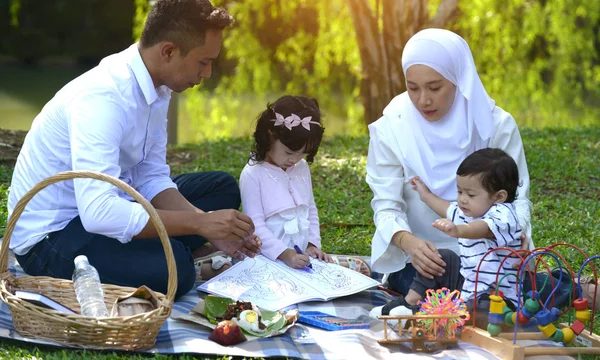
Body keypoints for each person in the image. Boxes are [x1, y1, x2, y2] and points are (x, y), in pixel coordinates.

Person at [7, 0, 261, 299]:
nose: (207, 74)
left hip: (112, 206)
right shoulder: (103, 98)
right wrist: (200, 223)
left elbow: (150, 176)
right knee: (177, 271)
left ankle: (166, 246)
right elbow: (98, 213)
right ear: (168, 51)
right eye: (203, 62)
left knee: (221, 188)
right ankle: (174, 250)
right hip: (54, 236)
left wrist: (208, 226)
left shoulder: (158, 86)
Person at [366, 28, 596, 315]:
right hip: (425, 261)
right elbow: (386, 206)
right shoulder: (391, 128)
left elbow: (517, 197)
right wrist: (407, 242)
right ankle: (565, 289)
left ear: (459, 79)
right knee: (442, 291)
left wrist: (519, 234)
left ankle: (569, 289)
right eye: (413, 88)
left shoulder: (495, 124)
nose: (423, 99)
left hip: (490, 253)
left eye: (435, 87)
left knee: (492, 291)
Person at [239, 95, 370, 274]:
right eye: (289, 152)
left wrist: (312, 244)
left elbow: (310, 209)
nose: (294, 160)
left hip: (300, 258)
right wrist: (286, 255)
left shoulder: (300, 168)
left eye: (303, 154)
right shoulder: (253, 174)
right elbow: (255, 227)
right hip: (268, 257)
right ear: (270, 136)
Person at [393, 148, 523, 312]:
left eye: (470, 194)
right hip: (468, 289)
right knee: (441, 257)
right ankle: (410, 303)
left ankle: (437, 313)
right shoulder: (470, 211)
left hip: (498, 298)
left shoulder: (504, 215)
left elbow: (483, 228)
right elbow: (447, 208)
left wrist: (459, 230)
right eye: (460, 191)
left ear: (498, 197)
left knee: (481, 307)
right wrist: (425, 195)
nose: (462, 199)